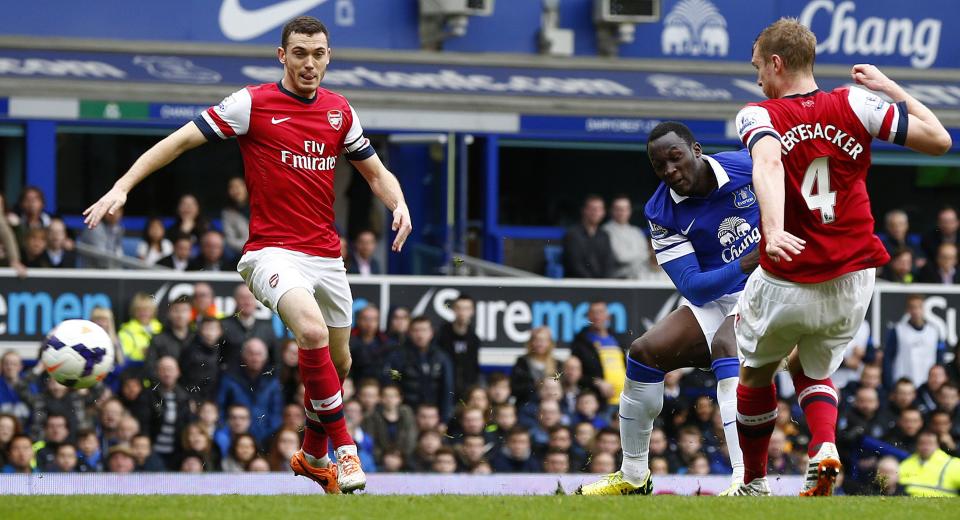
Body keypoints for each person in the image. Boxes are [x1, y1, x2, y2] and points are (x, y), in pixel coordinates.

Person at [83, 16, 412, 492]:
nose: (309, 63)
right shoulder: (252, 104)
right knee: (312, 332)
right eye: (299, 53)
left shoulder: (341, 111)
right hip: (270, 252)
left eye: (318, 53)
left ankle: (312, 454)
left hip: (325, 255)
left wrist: (398, 203)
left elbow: (376, 174)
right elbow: (179, 141)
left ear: (328, 57)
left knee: (338, 368)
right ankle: (345, 451)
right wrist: (123, 185)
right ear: (282, 56)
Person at [730, 18, 951, 497]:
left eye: (757, 68)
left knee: (756, 370)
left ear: (776, 62)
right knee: (810, 366)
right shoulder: (857, 102)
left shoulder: (758, 113)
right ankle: (825, 446)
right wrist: (891, 88)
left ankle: (752, 483)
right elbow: (940, 140)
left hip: (791, 274)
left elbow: (766, 163)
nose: (757, 80)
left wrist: (771, 230)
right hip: (854, 276)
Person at [382, 316, 455, 423]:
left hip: (434, 416)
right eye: (416, 330)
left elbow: (448, 389)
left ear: (431, 333)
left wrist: (444, 420)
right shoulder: (398, 357)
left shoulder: (442, 358)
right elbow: (393, 383)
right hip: (406, 414)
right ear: (409, 333)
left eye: (424, 330)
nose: (420, 335)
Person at [217, 338, 284, 445]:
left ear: (266, 357)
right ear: (243, 355)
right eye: (251, 353)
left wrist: (267, 437)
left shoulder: (272, 381)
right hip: (233, 438)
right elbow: (220, 408)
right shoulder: (230, 378)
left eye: (259, 354)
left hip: (265, 439)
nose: (255, 358)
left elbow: (276, 413)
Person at [570, 301, 627, 408]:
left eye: (600, 312)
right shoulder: (581, 343)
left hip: (625, 402)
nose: (597, 316)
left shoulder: (617, 339)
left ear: (608, 316)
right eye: (593, 313)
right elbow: (576, 375)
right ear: (588, 317)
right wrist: (598, 382)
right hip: (599, 403)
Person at [883, 295, 945, 389]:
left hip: (927, 385)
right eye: (912, 307)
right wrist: (889, 384)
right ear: (907, 310)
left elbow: (940, 359)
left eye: (919, 307)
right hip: (903, 385)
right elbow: (887, 358)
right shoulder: (897, 330)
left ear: (924, 308)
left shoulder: (934, 331)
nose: (916, 311)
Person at [220, 284, 278, 371]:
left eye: (250, 297)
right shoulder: (223, 325)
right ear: (235, 300)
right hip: (231, 380)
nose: (247, 302)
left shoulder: (267, 328)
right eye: (243, 298)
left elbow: (275, 360)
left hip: (260, 381)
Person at [435, 294, 481, 399]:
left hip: (467, 392)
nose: (462, 312)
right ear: (453, 309)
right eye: (459, 308)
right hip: (444, 391)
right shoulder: (442, 336)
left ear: (472, 311)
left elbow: (474, 367)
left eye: (466, 308)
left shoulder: (474, 339)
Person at [148, 356, 191, 469]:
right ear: (157, 372)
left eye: (170, 369)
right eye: (163, 369)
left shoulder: (184, 397)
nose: (167, 373)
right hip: (153, 452)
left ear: (178, 372)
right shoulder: (149, 395)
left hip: (176, 452)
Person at [562, 195, 615, 278]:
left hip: (603, 285)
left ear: (603, 212)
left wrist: (604, 282)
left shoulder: (604, 235)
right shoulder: (573, 234)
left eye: (599, 209)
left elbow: (609, 263)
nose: (596, 212)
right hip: (579, 285)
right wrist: (593, 283)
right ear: (584, 210)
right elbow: (575, 265)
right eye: (593, 209)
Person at [602, 194, 652, 279]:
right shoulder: (605, 231)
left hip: (639, 280)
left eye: (625, 209)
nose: (622, 212)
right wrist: (641, 256)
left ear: (630, 211)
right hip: (617, 281)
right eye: (618, 209)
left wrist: (644, 255)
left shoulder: (637, 232)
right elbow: (621, 258)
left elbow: (647, 256)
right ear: (611, 210)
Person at [899, 430, 960, 496]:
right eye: (922, 443)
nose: (925, 447)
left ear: (938, 445)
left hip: (942, 504)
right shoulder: (906, 463)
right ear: (916, 445)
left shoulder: (954, 464)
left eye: (930, 443)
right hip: (908, 503)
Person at [145, 297, 194, 379]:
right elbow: (150, 368)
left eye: (184, 311)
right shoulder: (158, 340)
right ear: (169, 314)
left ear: (191, 314)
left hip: (194, 388)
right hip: (166, 389)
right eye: (176, 310)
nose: (180, 315)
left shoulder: (198, 338)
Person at [511, 326, 560, 406]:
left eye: (544, 340)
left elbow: (560, 390)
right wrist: (536, 385)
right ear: (531, 342)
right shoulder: (522, 363)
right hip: (527, 405)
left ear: (550, 343)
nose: (540, 343)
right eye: (536, 340)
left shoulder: (557, 364)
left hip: (551, 407)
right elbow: (515, 389)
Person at [348, 305, 390, 382]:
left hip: (380, 386)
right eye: (365, 319)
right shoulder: (348, 342)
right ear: (358, 320)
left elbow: (393, 371)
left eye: (374, 319)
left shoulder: (387, 343)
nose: (369, 323)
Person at [118, 292, 163, 364]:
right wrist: (142, 353)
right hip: (136, 372)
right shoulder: (125, 332)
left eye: (146, 309)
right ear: (133, 311)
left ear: (153, 310)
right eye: (139, 309)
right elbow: (123, 358)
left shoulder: (162, 329)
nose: (143, 312)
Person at [222, 177, 250, 255]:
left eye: (239, 186)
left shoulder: (258, 207)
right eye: (232, 187)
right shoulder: (227, 213)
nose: (236, 189)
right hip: (242, 254)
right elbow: (230, 240)